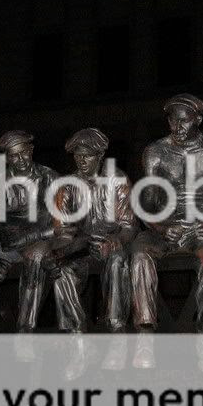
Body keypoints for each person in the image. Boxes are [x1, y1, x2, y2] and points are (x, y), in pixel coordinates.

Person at [130, 95, 203, 338]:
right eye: (172, 121)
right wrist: (161, 228)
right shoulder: (155, 152)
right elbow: (146, 207)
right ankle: (145, 330)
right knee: (139, 254)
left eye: (184, 120)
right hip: (165, 230)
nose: (177, 127)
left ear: (198, 120)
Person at [49, 128, 137, 334]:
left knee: (117, 262)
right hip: (81, 247)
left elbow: (129, 226)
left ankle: (116, 326)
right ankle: (75, 330)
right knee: (61, 270)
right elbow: (62, 231)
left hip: (112, 244)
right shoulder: (66, 186)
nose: (81, 161)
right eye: (77, 156)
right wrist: (62, 250)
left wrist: (115, 240)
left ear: (100, 155)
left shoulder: (118, 180)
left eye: (87, 156)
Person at [0, 130, 58, 332]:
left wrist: (35, 236)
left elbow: (64, 224)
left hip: (46, 243)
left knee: (35, 256)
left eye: (24, 153)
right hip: (9, 247)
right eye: (14, 156)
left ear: (32, 150)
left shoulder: (50, 178)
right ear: (6, 158)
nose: (21, 160)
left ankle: (25, 328)